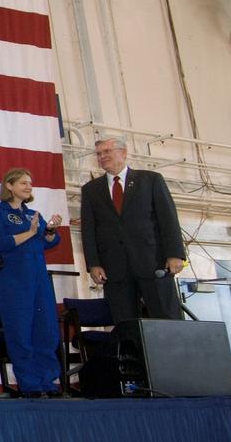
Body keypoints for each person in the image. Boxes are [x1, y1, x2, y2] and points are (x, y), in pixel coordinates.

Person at [79, 136, 186, 323]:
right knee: (125, 323)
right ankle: (132, 353)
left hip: (153, 263)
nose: (102, 156)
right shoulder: (91, 190)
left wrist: (175, 254)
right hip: (114, 268)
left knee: (168, 319)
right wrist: (93, 264)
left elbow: (168, 219)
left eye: (107, 151)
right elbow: (89, 230)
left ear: (124, 153)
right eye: (98, 154)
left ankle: (173, 353)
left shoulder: (150, 180)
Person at [0, 168, 63, 397]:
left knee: (46, 329)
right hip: (14, 279)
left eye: (30, 183)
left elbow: (48, 242)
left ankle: (47, 381)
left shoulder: (33, 215)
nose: (29, 187)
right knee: (20, 331)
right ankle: (29, 384)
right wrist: (30, 233)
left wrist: (49, 230)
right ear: (9, 186)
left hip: (38, 277)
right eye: (23, 183)